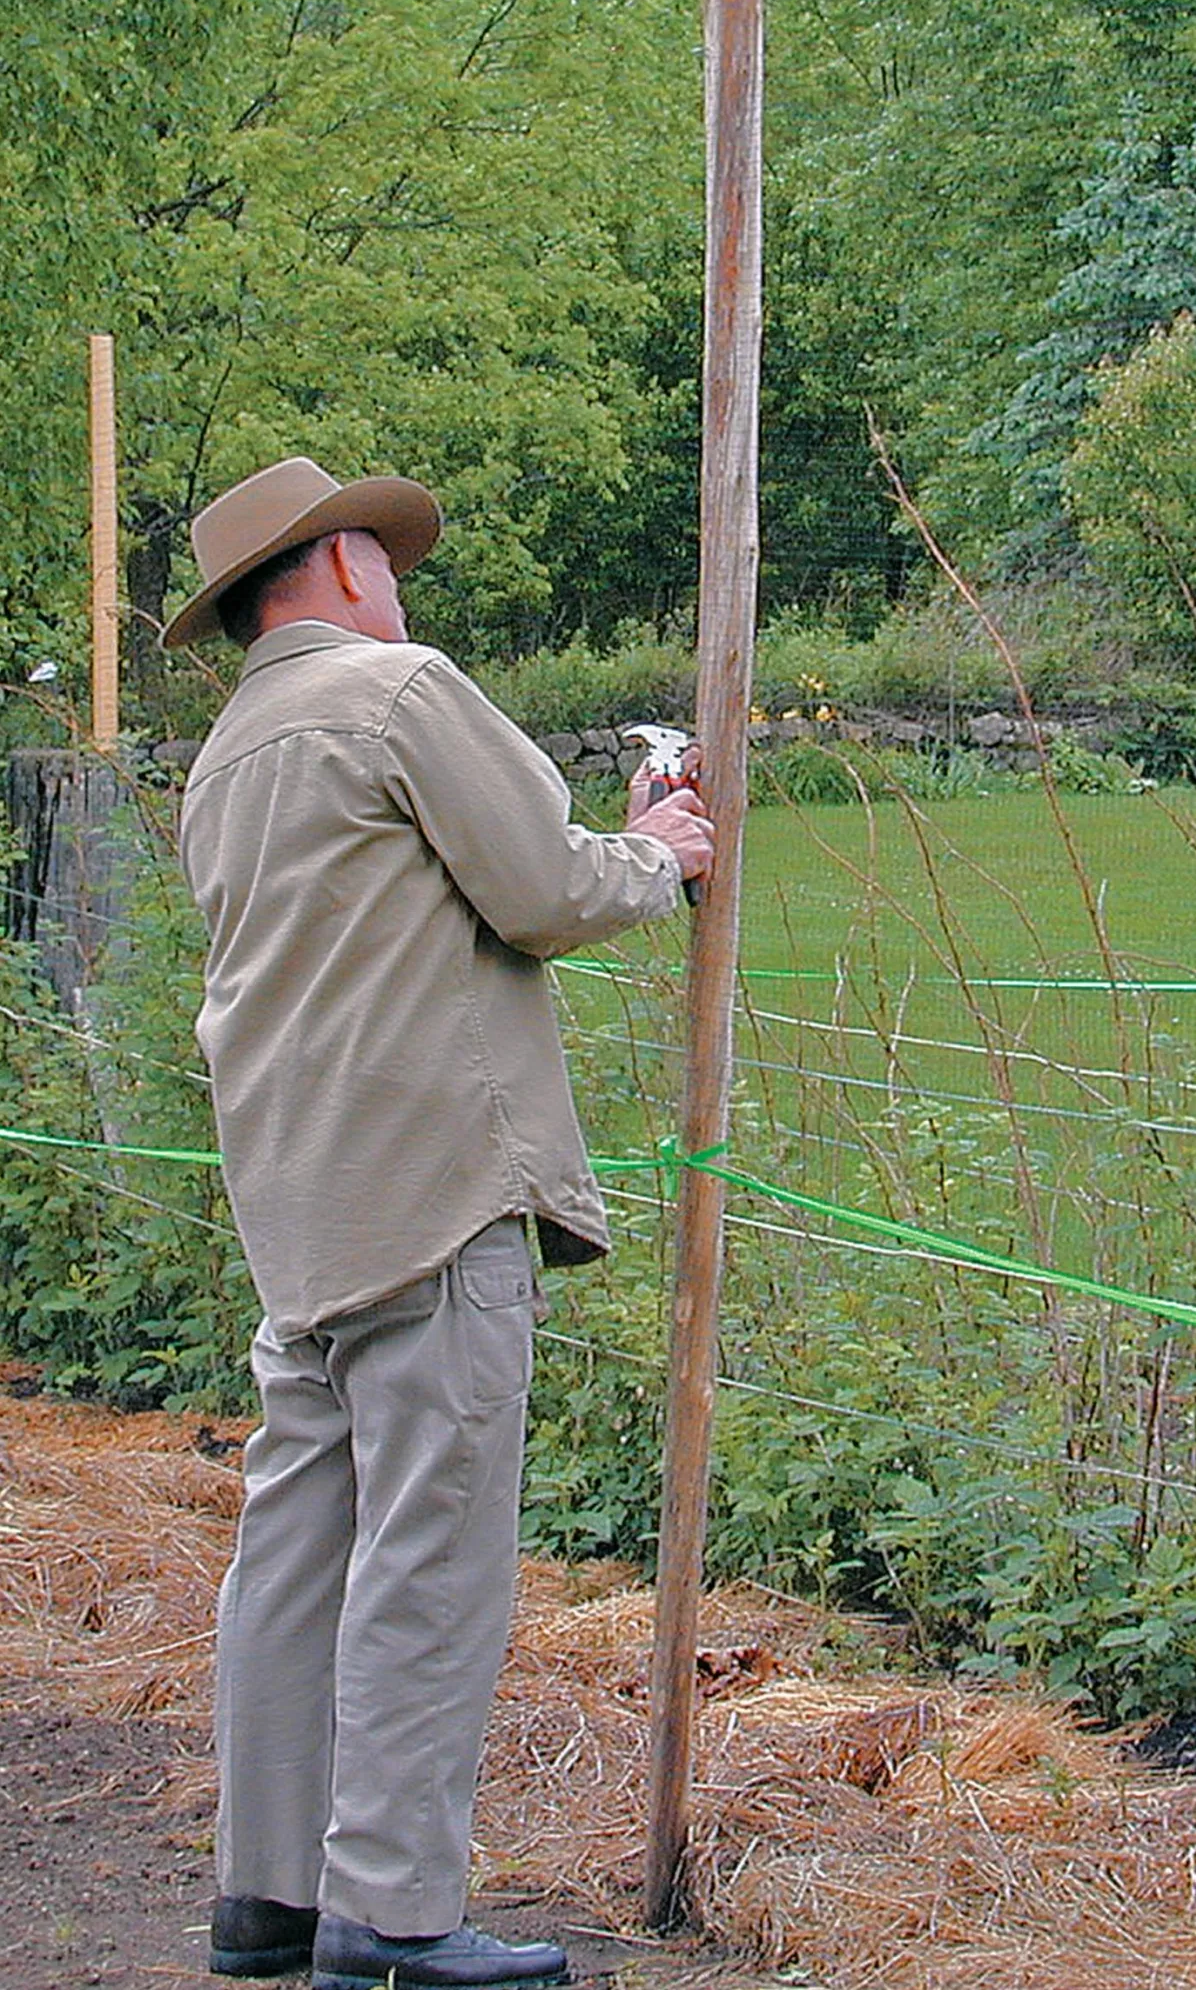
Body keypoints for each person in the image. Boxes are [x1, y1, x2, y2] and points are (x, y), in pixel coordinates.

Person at [164, 457, 715, 1989]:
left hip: (302, 1215)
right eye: (383, 558)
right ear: (340, 565)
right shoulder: (398, 692)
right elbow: (540, 887)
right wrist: (659, 855)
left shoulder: (228, 754)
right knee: (433, 1559)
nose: (398, 583)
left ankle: (268, 1897)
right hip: (435, 1190)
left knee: (293, 1560)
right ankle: (393, 1913)